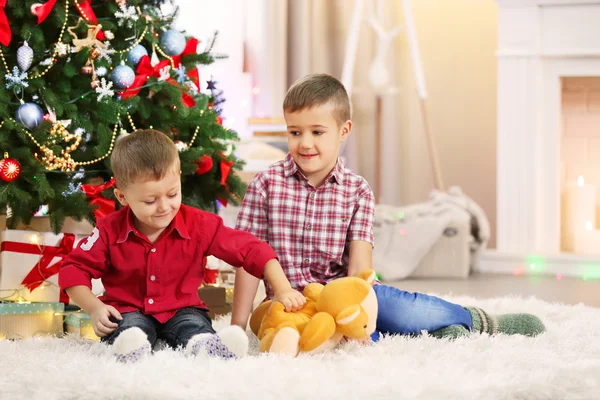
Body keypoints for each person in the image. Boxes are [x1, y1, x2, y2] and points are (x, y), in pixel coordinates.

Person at [231, 73, 545, 340]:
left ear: (344, 131)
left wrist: (355, 308)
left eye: (317, 132)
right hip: (290, 307)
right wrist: (238, 328)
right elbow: (248, 260)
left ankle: (476, 321)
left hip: (347, 297)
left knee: (399, 308)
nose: (305, 143)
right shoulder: (265, 185)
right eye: (295, 132)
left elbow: (359, 271)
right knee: (309, 337)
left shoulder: (357, 191)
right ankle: (430, 334)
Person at [59, 129, 305, 362]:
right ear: (122, 197)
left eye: (172, 194)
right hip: (129, 310)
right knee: (128, 327)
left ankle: (208, 347)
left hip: (182, 309)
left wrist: (282, 289)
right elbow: (73, 271)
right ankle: (131, 349)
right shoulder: (108, 230)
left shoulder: (199, 224)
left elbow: (251, 249)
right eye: (150, 200)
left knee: (193, 326)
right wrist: (95, 308)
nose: (164, 207)